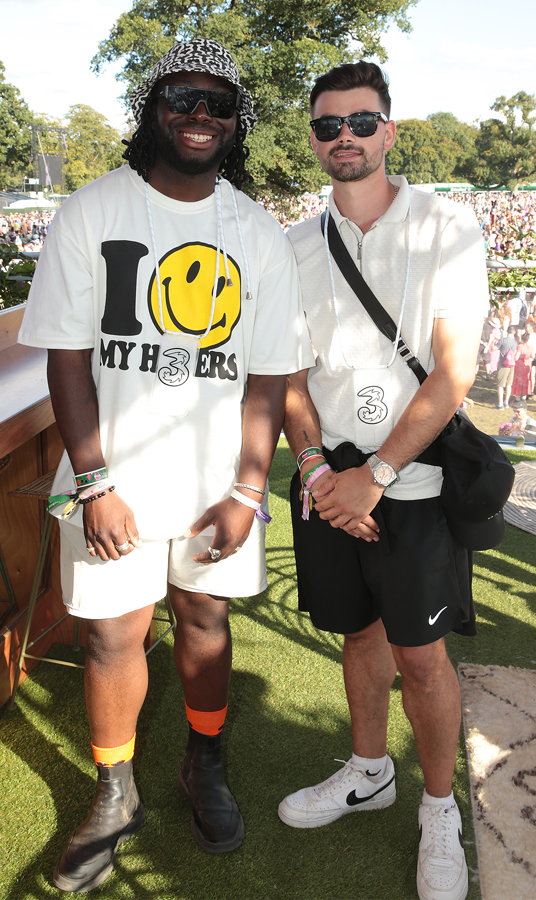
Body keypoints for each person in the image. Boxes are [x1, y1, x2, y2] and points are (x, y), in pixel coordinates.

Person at [17, 38, 313, 892]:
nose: (198, 116)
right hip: (111, 478)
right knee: (113, 635)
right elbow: (66, 358)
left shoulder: (256, 232)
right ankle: (115, 792)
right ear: (152, 108)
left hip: (216, 482)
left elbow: (268, 374)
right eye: (182, 97)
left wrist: (249, 489)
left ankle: (204, 764)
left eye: (217, 103)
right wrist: (96, 481)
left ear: (236, 123)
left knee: (205, 622)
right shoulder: (90, 211)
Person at [279, 62, 488, 900]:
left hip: (415, 480)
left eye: (361, 123)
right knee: (358, 634)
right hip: (328, 479)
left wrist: (378, 473)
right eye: (329, 126)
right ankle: (370, 770)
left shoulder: (449, 226)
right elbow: (288, 379)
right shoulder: (294, 244)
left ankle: (440, 809)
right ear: (316, 138)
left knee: (423, 655)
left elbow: (454, 373)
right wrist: (315, 468)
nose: (345, 139)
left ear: (389, 130)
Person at [496, 325, 518, 409]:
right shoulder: (515, 342)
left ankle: (500, 404)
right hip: (511, 364)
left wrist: (495, 342)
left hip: (503, 363)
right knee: (509, 384)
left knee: (500, 384)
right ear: (514, 332)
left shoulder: (502, 340)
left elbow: (494, 348)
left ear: (507, 331)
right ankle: (506, 402)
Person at [511, 332, 533, 400]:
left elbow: (516, 357)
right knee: (526, 380)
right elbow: (532, 356)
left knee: (519, 380)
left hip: (520, 364)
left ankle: (518, 397)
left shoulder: (520, 346)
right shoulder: (530, 347)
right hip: (528, 363)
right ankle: (524, 395)